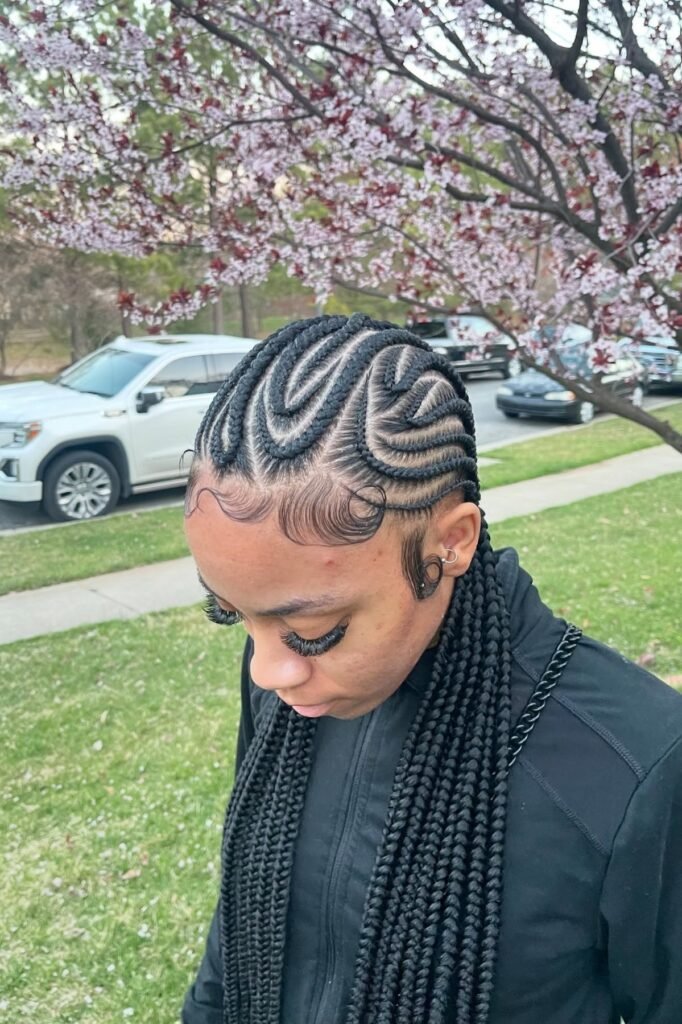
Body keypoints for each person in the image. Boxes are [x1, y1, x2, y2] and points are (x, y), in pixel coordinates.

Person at [180, 313, 682, 1024]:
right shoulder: (289, 690)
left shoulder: (640, 764)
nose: (268, 670)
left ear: (451, 542)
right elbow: (239, 932)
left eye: (315, 632)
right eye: (230, 614)